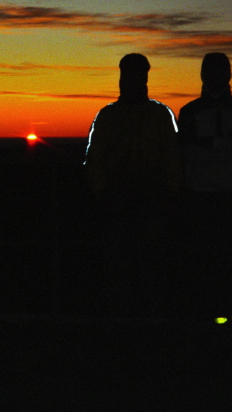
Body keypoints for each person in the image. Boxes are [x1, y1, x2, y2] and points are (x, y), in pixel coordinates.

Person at [84, 53, 182, 316]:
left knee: (146, 267)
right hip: (121, 203)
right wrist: (103, 193)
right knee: (123, 268)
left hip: (148, 203)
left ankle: (141, 322)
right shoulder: (113, 116)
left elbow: (173, 158)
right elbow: (95, 161)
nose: (132, 79)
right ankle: (128, 322)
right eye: (129, 74)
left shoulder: (157, 115)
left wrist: (169, 195)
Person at [177, 52, 232, 323]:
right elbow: (187, 154)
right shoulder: (189, 112)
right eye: (210, 70)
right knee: (205, 261)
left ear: (228, 74)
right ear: (203, 74)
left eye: (220, 70)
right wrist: (230, 148)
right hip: (202, 200)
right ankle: (208, 314)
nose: (215, 75)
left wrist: (212, 146)